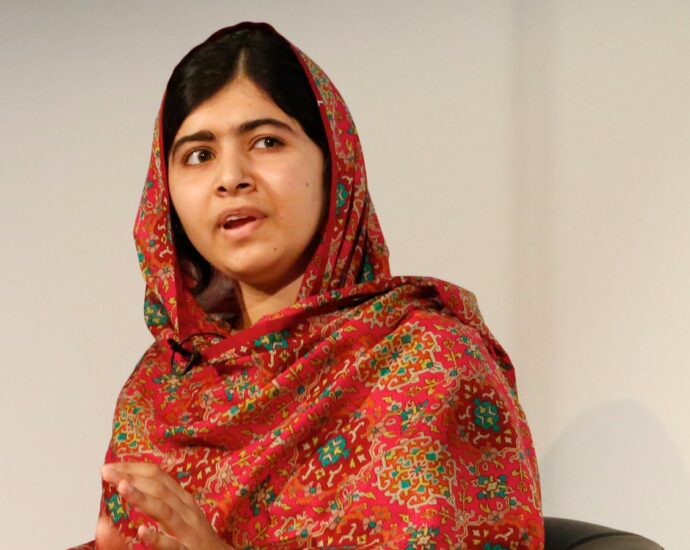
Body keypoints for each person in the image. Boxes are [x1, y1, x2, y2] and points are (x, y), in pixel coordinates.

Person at [72, 21, 544, 549]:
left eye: (266, 141)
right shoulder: (160, 389)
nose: (231, 177)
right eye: (198, 155)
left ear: (333, 166)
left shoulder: (426, 362)